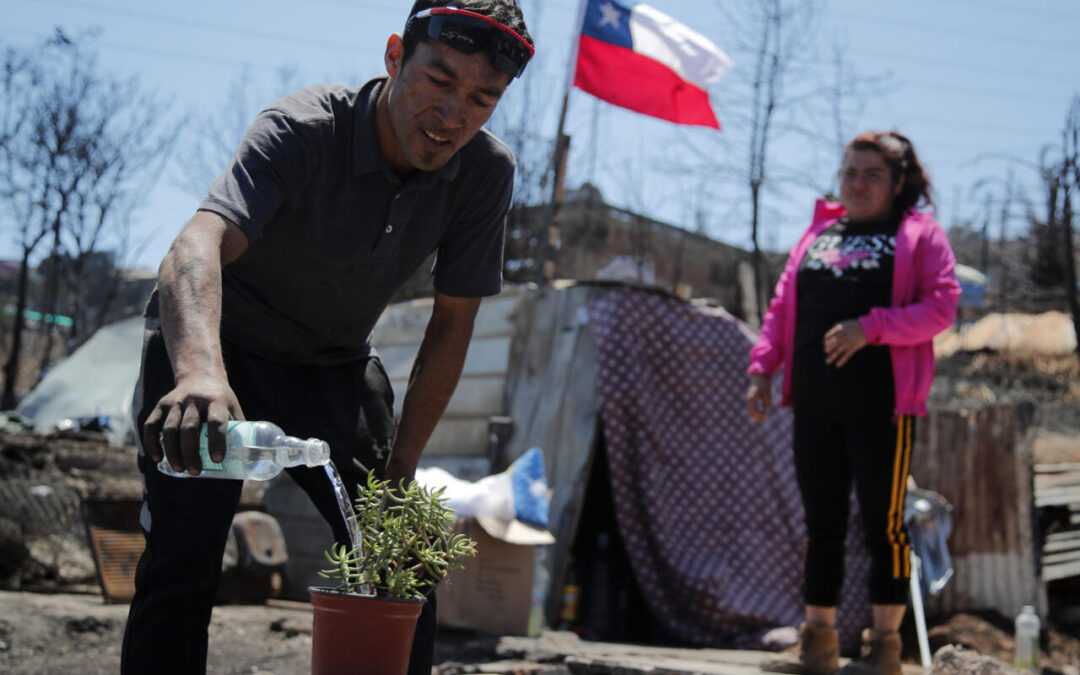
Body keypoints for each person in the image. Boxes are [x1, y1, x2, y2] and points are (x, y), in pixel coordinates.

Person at [120, 2, 533, 673]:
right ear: (396, 57)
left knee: (399, 565)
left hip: (334, 367)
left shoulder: (485, 173)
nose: (455, 114)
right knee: (183, 561)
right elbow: (195, 245)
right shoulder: (306, 127)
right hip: (219, 352)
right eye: (440, 80)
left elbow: (453, 322)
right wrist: (198, 372)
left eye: (483, 97)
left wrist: (401, 466)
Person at [748, 131, 959, 675]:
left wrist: (871, 328)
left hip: (884, 404)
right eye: (850, 173)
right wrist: (761, 369)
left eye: (872, 175)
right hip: (814, 401)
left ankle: (883, 651)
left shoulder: (919, 235)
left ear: (897, 183)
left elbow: (941, 306)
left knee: (883, 526)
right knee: (821, 524)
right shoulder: (819, 233)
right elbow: (780, 306)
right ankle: (817, 644)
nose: (858, 184)